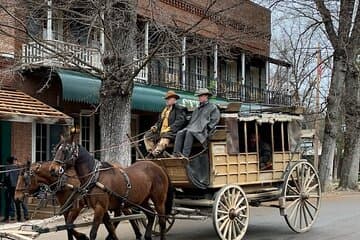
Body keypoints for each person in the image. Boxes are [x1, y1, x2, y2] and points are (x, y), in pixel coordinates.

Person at [173, 88, 220, 158]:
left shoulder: (213, 107)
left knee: (189, 132)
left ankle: (185, 155)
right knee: (180, 133)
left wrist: (207, 128)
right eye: (199, 96)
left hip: (203, 131)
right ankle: (175, 154)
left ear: (206, 96)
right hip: (193, 128)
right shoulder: (197, 109)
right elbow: (192, 120)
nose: (199, 98)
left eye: (201, 96)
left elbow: (215, 120)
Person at [144, 90, 187, 157]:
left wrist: (169, 129)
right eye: (166, 99)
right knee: (147, 136)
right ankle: (152, 152)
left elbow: (180, 122)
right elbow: (159, 122)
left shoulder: (179, 109)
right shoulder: (164, 110)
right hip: (161, 132)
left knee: (165, 137)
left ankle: (156, 152)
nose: (167, 100)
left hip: (172, 133)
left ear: (174, 100)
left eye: (169, 99)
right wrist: (155, 127)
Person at [1, 157, 28, 222]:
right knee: (9, 203)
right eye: (14, 161)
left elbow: (23, 174)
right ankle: (7, 218)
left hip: (15, 188)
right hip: (9, 188)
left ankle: (19, 218)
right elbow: (6, 177)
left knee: (17, 203)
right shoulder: (8, 167)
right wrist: (3, 184)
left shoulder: (16, 167)